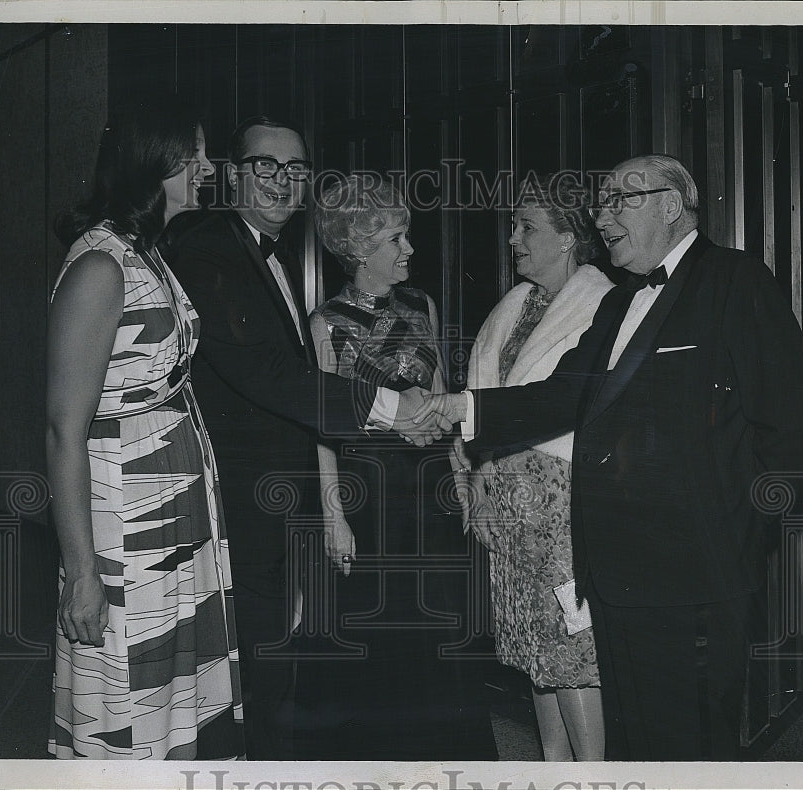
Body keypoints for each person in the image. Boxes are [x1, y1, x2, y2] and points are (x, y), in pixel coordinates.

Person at [421, 154, 803, 760]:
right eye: (601, 203)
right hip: (615, 570)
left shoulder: (736, 281)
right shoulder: (616, 302)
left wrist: (745, 539)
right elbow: (562, 396)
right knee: (635, 741)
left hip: (698, 572)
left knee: (696, 744)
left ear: (670, 204)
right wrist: (463, 407)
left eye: (620, 200)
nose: (604, 216)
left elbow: (786, 426)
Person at [162, 119, 438, 759]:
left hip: (280, 499)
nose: (284, 180)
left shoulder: (274, 253)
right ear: (234, 173)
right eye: (267, 166)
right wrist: (391, 408)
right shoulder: (207, 245)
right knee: (256, 659)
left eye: (296, 168)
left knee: (275, 654)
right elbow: (272, 377)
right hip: (241, 495)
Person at [46, 98, 246, 759]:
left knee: (167, 696)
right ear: (153, 162)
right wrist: (81, 573)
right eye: (195, 154)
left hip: (168, 513)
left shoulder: (145, 253)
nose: (209, 166)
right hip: (124, 521)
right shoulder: (100, 267)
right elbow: (62, 429)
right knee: (127, 700)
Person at [297, 173, 496, 760]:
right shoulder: (325, 322)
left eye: (406, 236)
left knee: (441, 629)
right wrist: (333, 516)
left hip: (431, 488)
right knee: (379, 633)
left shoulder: (422, 305)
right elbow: (322, 429)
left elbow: (441, 393)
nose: (409, 249)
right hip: (370, 493)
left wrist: (460, 477)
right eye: (395, 239)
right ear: (359, 250)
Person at [458, 173, 613, 760]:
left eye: (527, 227)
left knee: (573, 645)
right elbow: (485, 405)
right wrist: (476, 476)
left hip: (564, 508)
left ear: (569, 235)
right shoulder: (515, 306)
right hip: (510, 511)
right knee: (534, 647)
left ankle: (593, 772)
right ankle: (552, 766)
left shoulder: (602, 303)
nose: (514, 240)